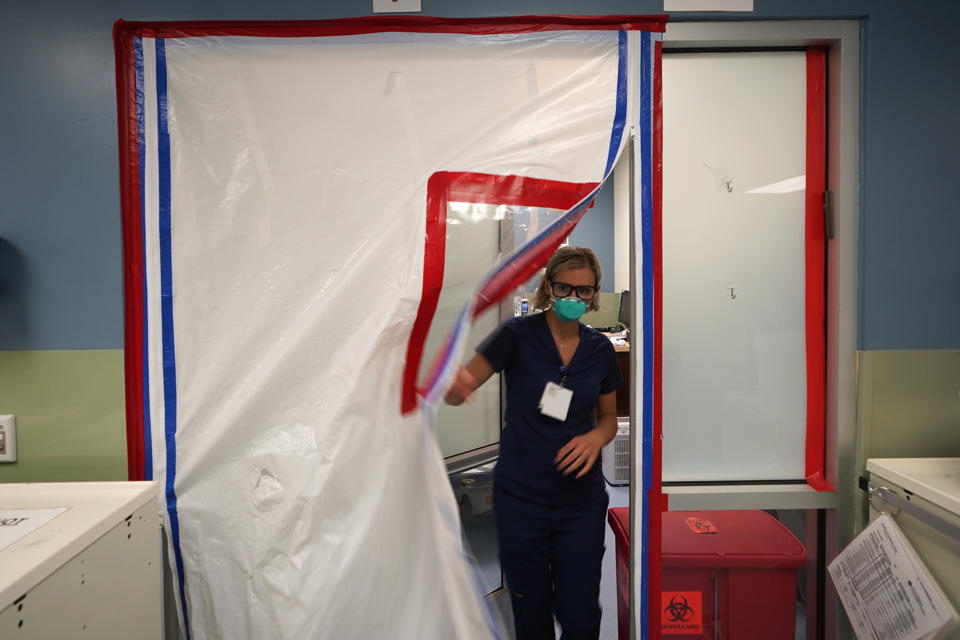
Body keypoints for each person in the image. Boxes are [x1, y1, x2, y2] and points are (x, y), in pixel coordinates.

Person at [445, 245, 622, 640]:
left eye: (584, 291)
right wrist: (452, 384)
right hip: (522, 498)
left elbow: (609, 418)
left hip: (579, 503)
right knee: (530, 611)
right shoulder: (517, 336)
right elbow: (460, 390)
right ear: (548, 286)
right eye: (564, 288)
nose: (573, 298)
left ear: (595, 293)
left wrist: (596, 437)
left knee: (580, 617)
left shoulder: (600, 351)